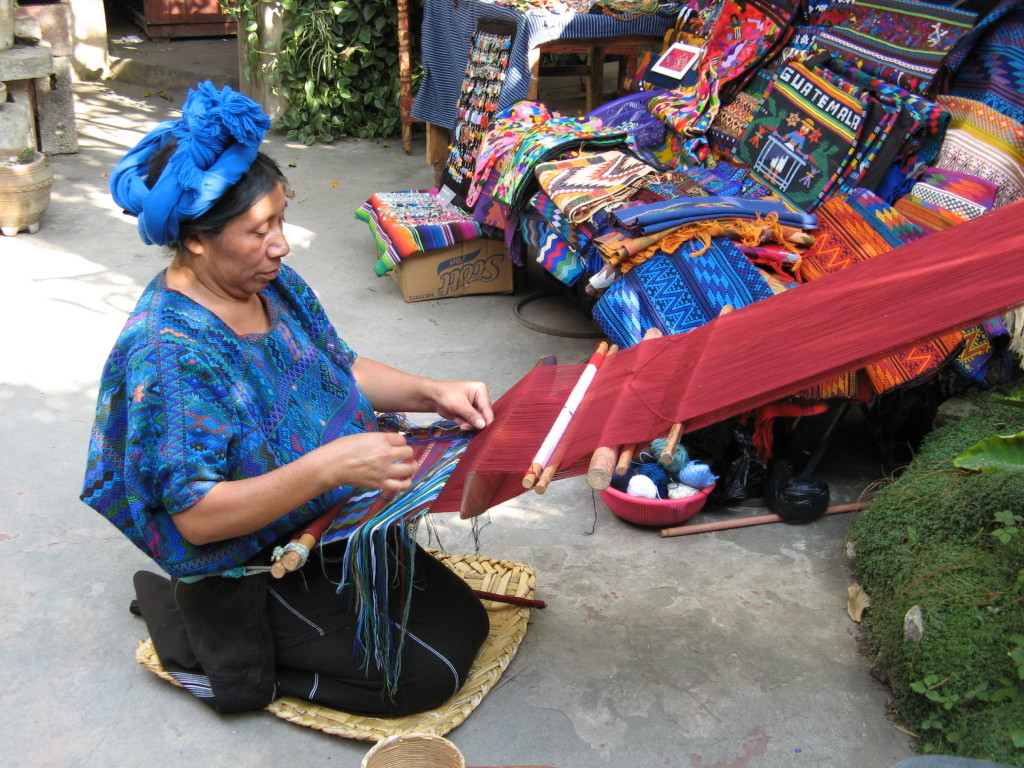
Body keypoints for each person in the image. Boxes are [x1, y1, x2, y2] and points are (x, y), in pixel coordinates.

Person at [81, 82, 492, 716]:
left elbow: (338, 367)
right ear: (196, 238)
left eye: (280, 217)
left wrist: (429, 392)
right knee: (422, 678)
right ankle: (202, 635)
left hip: (320, 525)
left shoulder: (269, 282)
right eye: (259, 228)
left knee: (465, 623)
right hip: (246, 562)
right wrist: (331, 467)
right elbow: (198, 516)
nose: (282, 243)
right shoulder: (169, 355)